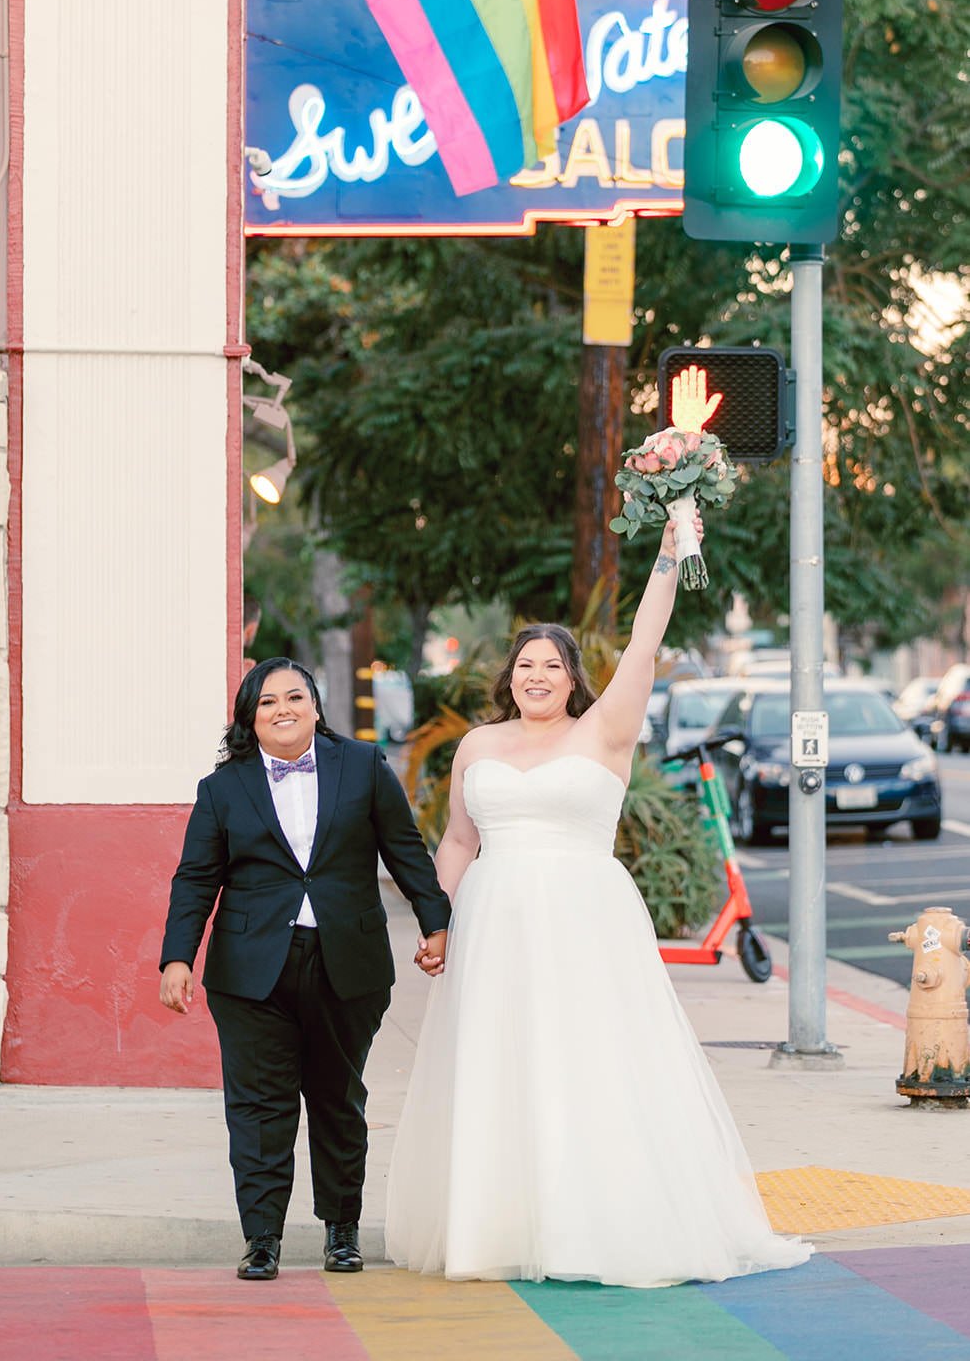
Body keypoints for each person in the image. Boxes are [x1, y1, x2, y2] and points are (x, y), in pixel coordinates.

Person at [385, 520, 810, 1285]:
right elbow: (454, 843)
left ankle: (597, 1225)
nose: (536, 676)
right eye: (524, 665)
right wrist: (437, 923)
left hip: (584, 922)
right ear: (507, 677)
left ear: (573, 678)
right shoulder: (477, 747)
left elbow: (644, 645)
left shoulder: (604, 732)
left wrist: (669, 553)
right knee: (501, 1065)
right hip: (492, 924)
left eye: (551, 665)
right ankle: (501, 1227)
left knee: (589, 1064)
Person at [159, 657, 451, 1282]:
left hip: (348, 962)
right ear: (249, 717)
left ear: (316, 706)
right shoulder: (222, 789)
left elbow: (405, 850)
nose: (283, 709)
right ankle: (261, 1239)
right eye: (267, 702)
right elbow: (195, 878)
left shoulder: (364, 766)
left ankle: (341, 1232)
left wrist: (436, 922)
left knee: (337, 1099)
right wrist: (178, 956)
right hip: (248, 972)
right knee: (259, 1108)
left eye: (295, 696)